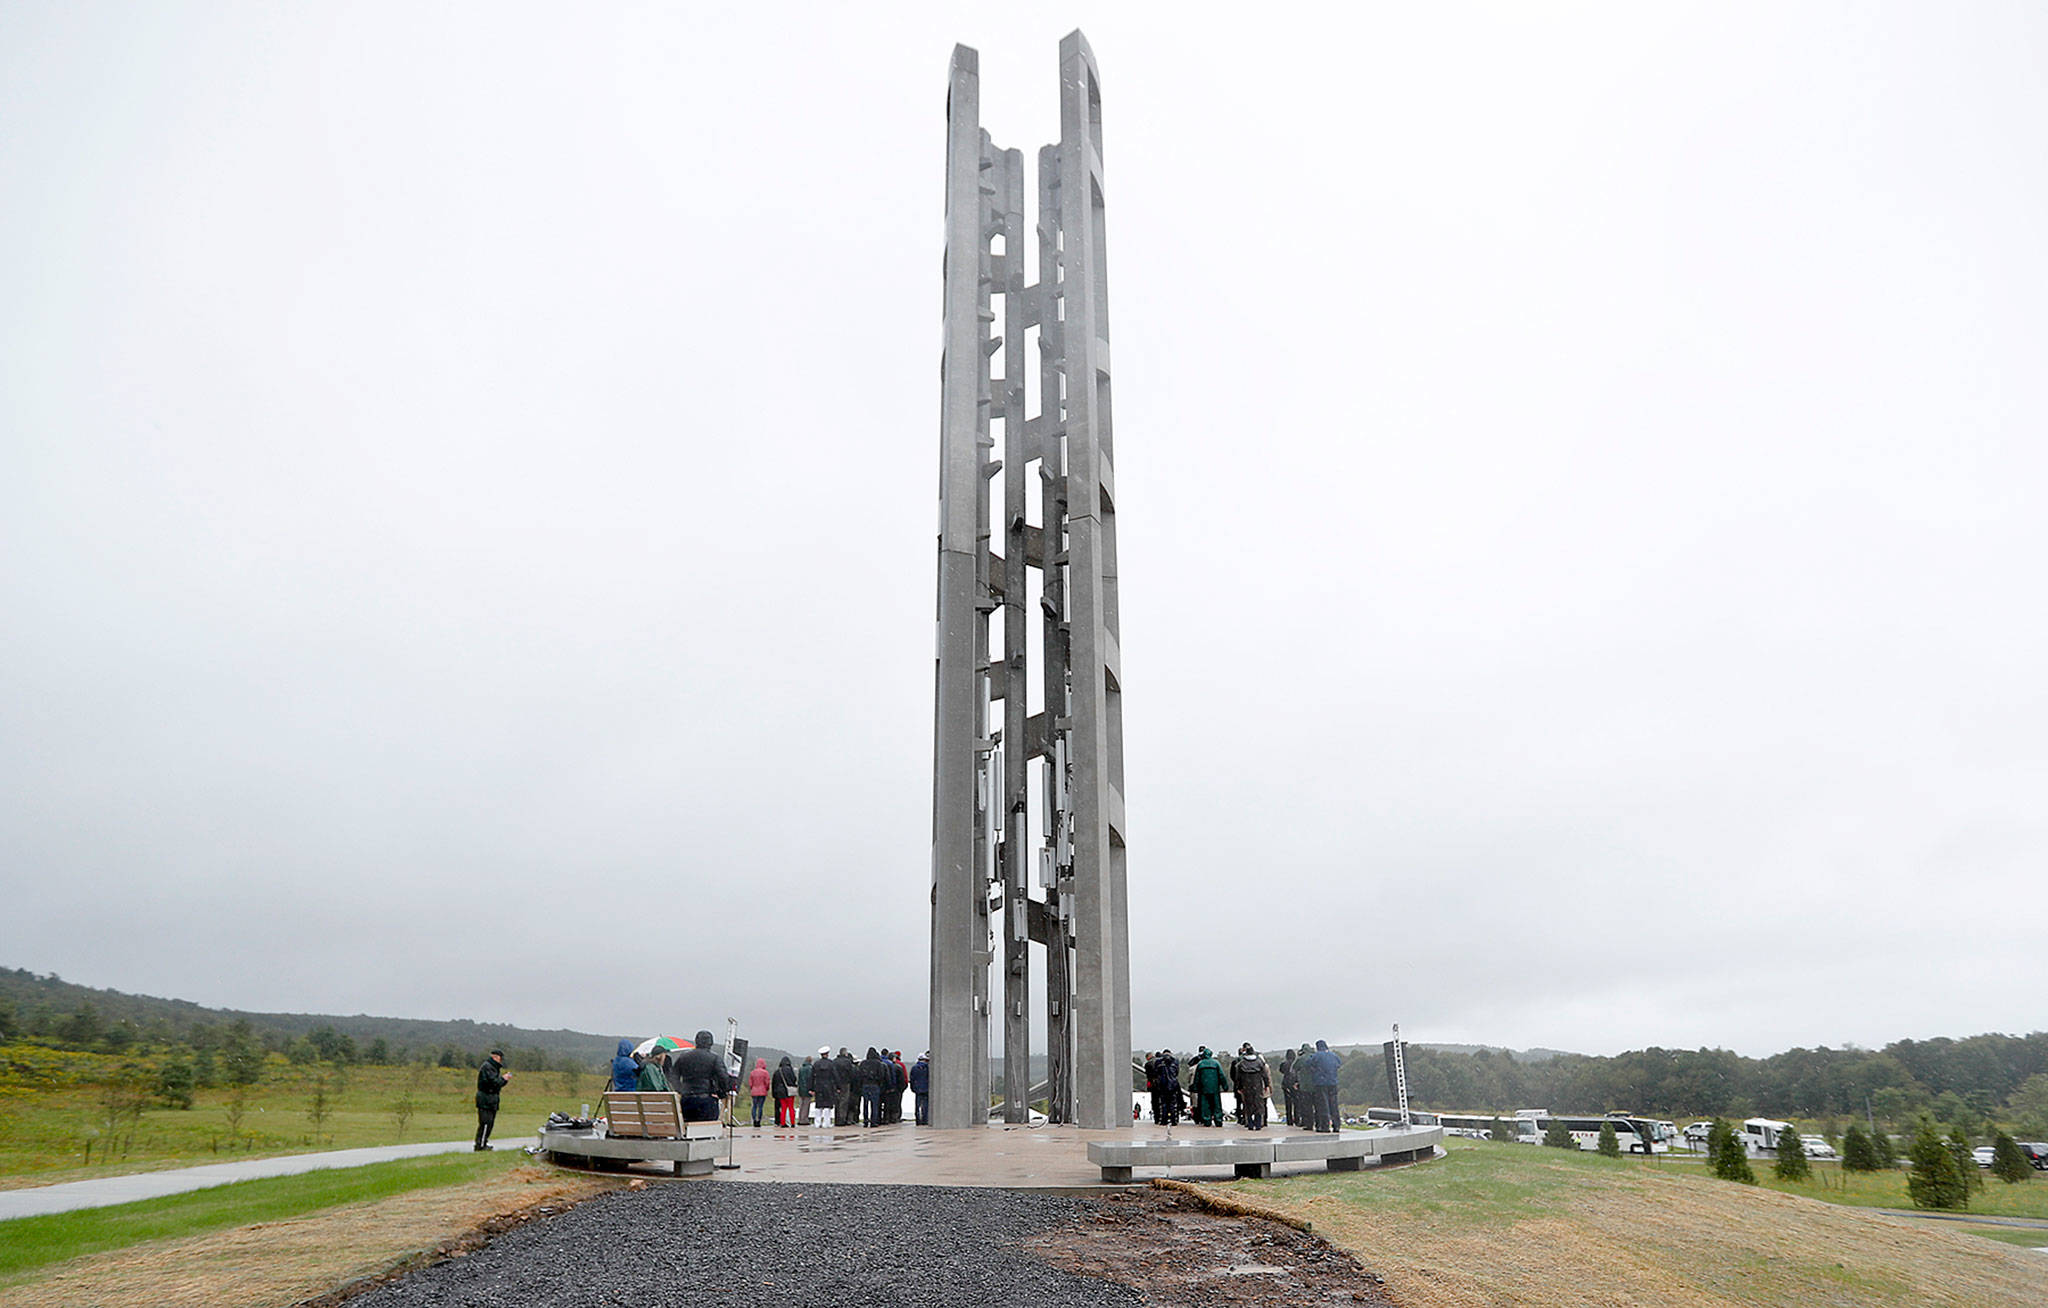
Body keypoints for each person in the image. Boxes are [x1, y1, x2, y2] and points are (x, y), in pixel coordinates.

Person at [669, 1029, 732, 1122]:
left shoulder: (683, 1057)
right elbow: (723, 1078)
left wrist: (680, 1089)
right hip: (707, 1101)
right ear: (710, 1043)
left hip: (687, 1100)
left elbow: (673, 1076)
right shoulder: (715, 1058)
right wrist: (721, 1093)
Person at [474, 1049, 510, 1151]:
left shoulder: (493, 1068)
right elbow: (493, 1083)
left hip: (491, 1099)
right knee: (485, 1123)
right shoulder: (488, 1067)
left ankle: (483, 1143)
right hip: (486, 1099)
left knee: (489, 1123)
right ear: (496, 1057)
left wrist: (504, 1080)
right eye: (500, 1058)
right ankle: (480, 1145)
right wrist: (503, 1079)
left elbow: (497, 1085)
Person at [1232, 1044, 1271, 1131]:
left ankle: (1250, 1123)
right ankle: (1258, 1124)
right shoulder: (1260, 1062)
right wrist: (1267, 1085)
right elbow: (1265, 1075)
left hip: (1246, 1087)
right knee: (1258, 1105)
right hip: (1257, 1086)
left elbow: (1237, 1078)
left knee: (1248, 1105)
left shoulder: (1241, 1064)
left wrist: (1239, 1087)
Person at [1307, 1039, 1343, 1133]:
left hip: (1320, 1083)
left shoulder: (1316, 1056)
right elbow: (1339, 1064)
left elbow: (1308, 1063)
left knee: (1323, 1105)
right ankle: (1336, 1125)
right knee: (1334, 1104)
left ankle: (1325, 1126)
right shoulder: (1334, 1055)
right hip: (1333, 1082)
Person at [1189, 1046, 1227, 1127]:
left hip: (1203, 1089)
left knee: (1205, 1106)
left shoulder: (1200, 1064)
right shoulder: (1216, 1063)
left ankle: (1207, 1120)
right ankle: (1218, 1120)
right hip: (1215, 1088)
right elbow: (1221, 1076)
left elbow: (1197, 1077)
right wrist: (1225, 1086)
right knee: (1217, 1105)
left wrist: (1195, 1087)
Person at [809, 1046, 838, 1128]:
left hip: (818, 1086)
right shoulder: (831, 1063)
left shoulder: (816, 1064)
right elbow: (835, 1076)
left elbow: (812, 1077)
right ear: (827, 1054)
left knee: (818, 1105)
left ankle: (817, 1123)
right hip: (828, 1086)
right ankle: (826, 1123)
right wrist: (838, 1087)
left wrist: (811, 1088)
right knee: (827, 1106)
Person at [859, 1047, 887, 1127]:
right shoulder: (878, 1063)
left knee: (865, 1104)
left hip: (865, 1085)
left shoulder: (863, 1063)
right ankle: (874, 1121)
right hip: (874, 1085)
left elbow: (859, 1075)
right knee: (874, 1104)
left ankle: (865, 1120)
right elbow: (881, 1075)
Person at [771, 1055, 798, 1127]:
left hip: (781, 1092)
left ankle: (782, 1123)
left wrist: (774, 1093)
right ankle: (792, 1123)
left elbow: (774, 1083)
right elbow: (794, 1079)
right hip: (789, 1091)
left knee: (783, 1108)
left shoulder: (777, 1071)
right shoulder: (790, 1070)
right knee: (791, 1108)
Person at [747, 1056, 772, 1127]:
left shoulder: (752, 1073)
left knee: (754, 1106)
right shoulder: (765, 1073)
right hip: (762, 1091)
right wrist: (767, 1089)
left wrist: (752, 1088)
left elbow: (750, 1083)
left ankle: (754, 1119)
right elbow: (767, 1083)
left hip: (754, 1091)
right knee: (760, 1106)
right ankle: (759, 1120)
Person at [1278, 1049, 1299, 1127]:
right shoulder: (1296, 1063)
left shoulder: (1284, 1064)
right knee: (1296, 1104)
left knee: (1288, 1104)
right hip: (1295, 1084)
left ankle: (1289, 1120)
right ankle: (1297, 1119)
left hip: (1286, 1084)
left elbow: (1281, 1070)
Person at [910, 1051, 931, 1125]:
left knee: (917, 1105)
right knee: (925, 1106)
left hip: (917, 1089)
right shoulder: (928, 1067)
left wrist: (912, 1088)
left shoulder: (914, 1068)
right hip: (926, 1089)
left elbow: (912, 1079)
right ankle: (925, 1120)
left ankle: (918, 1120)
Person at [797, 1054, 814, 1124]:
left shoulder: (801, 1068)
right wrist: (811, 1089)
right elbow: (810, 1079)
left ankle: (800, 1118)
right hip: (807, 1089)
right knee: (806, 1105)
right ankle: (804, 1119)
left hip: (801, 1089)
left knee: (801, 1105)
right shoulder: (810, 1068)